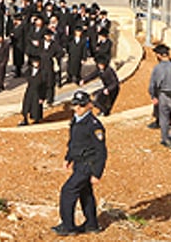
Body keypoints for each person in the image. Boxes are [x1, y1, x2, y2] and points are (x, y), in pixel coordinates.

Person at [53, 90, 106, 236]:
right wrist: (68, 158)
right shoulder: (76, 120)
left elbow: (101, 151)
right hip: (78, 162)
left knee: (68, 191)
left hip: (87, 165)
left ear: (89, 105)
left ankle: (68, 226)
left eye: (81, 106)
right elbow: (74, 142)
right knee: (85, 193)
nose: (78, 109)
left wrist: (97, 173)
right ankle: (91, 224)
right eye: (76, 105)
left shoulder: (94, 125)